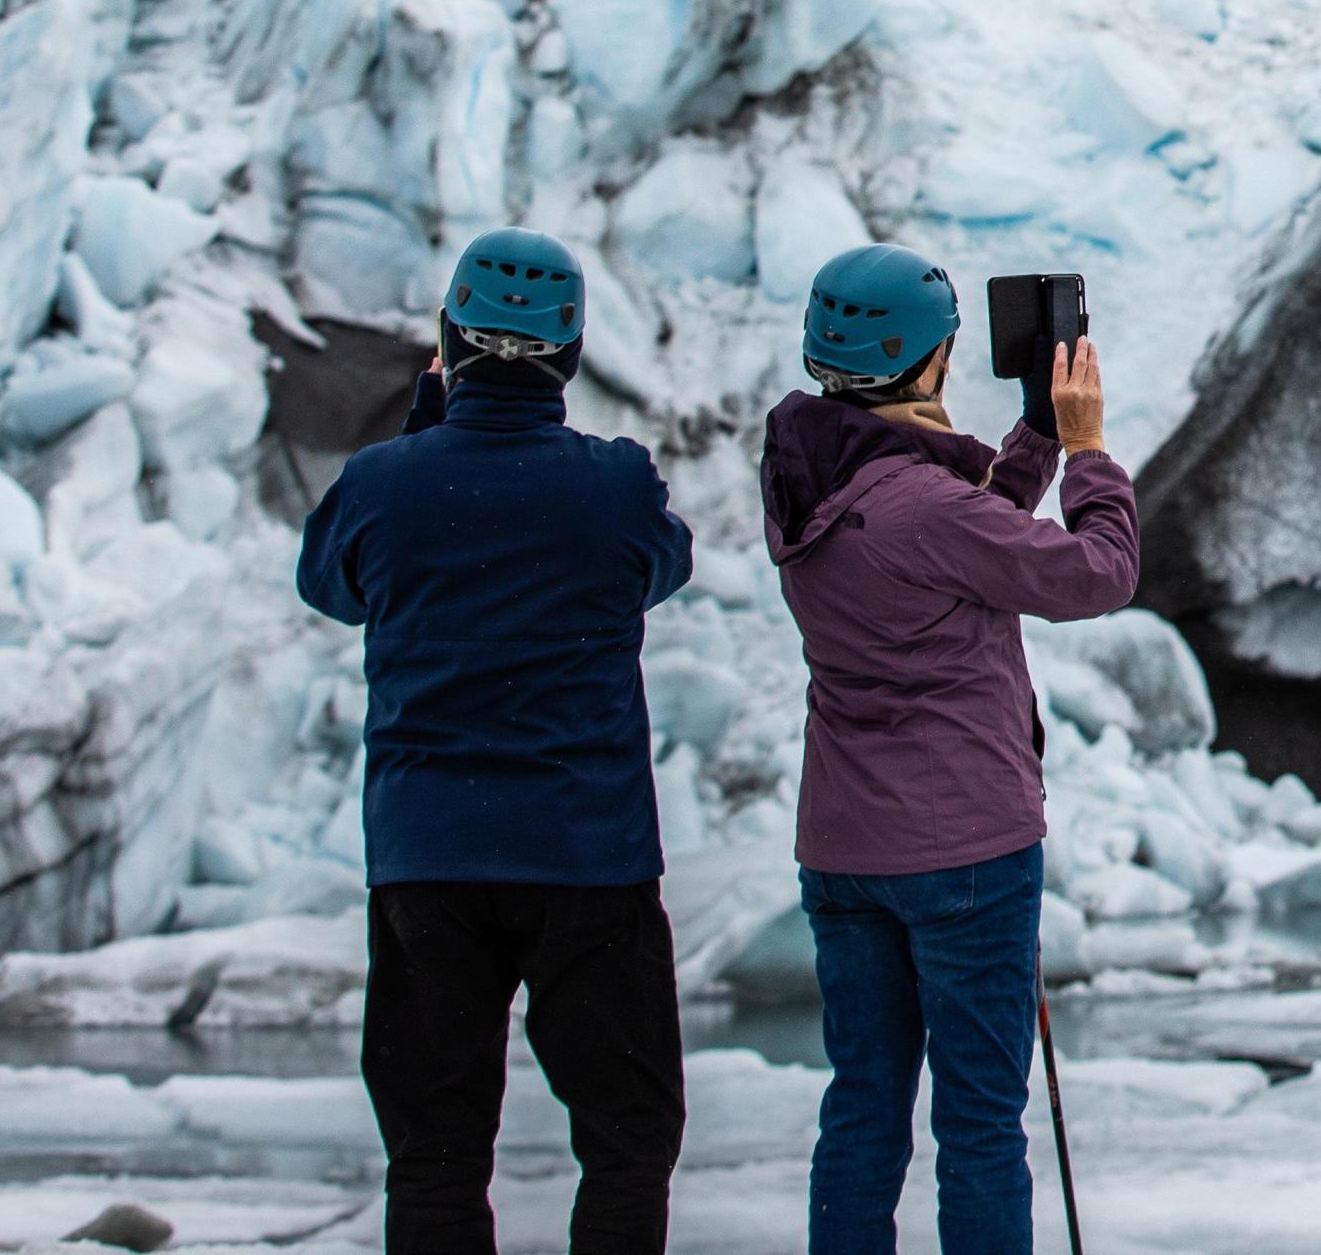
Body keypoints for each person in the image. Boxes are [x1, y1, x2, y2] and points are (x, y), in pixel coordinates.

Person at [298, 228, 698, 1255]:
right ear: (567, 352)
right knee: (625, 1133)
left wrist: (428, 426)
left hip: (430, 856)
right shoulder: (613, 483)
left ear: (450, 340)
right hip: (587, 856)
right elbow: (661, 568)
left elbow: (329, 587)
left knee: (433, 1144)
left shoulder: (383, 483)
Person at [763, 244, 1140, 1255]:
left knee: (865, 1107)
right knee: (977, 1123)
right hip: (965, 849)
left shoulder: (809, 474)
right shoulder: (919, 505)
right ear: (929, 363)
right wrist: (1089, 451)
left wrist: (1030, 434)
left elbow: (957, 530)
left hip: (846, 852)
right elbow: (1097, 572)